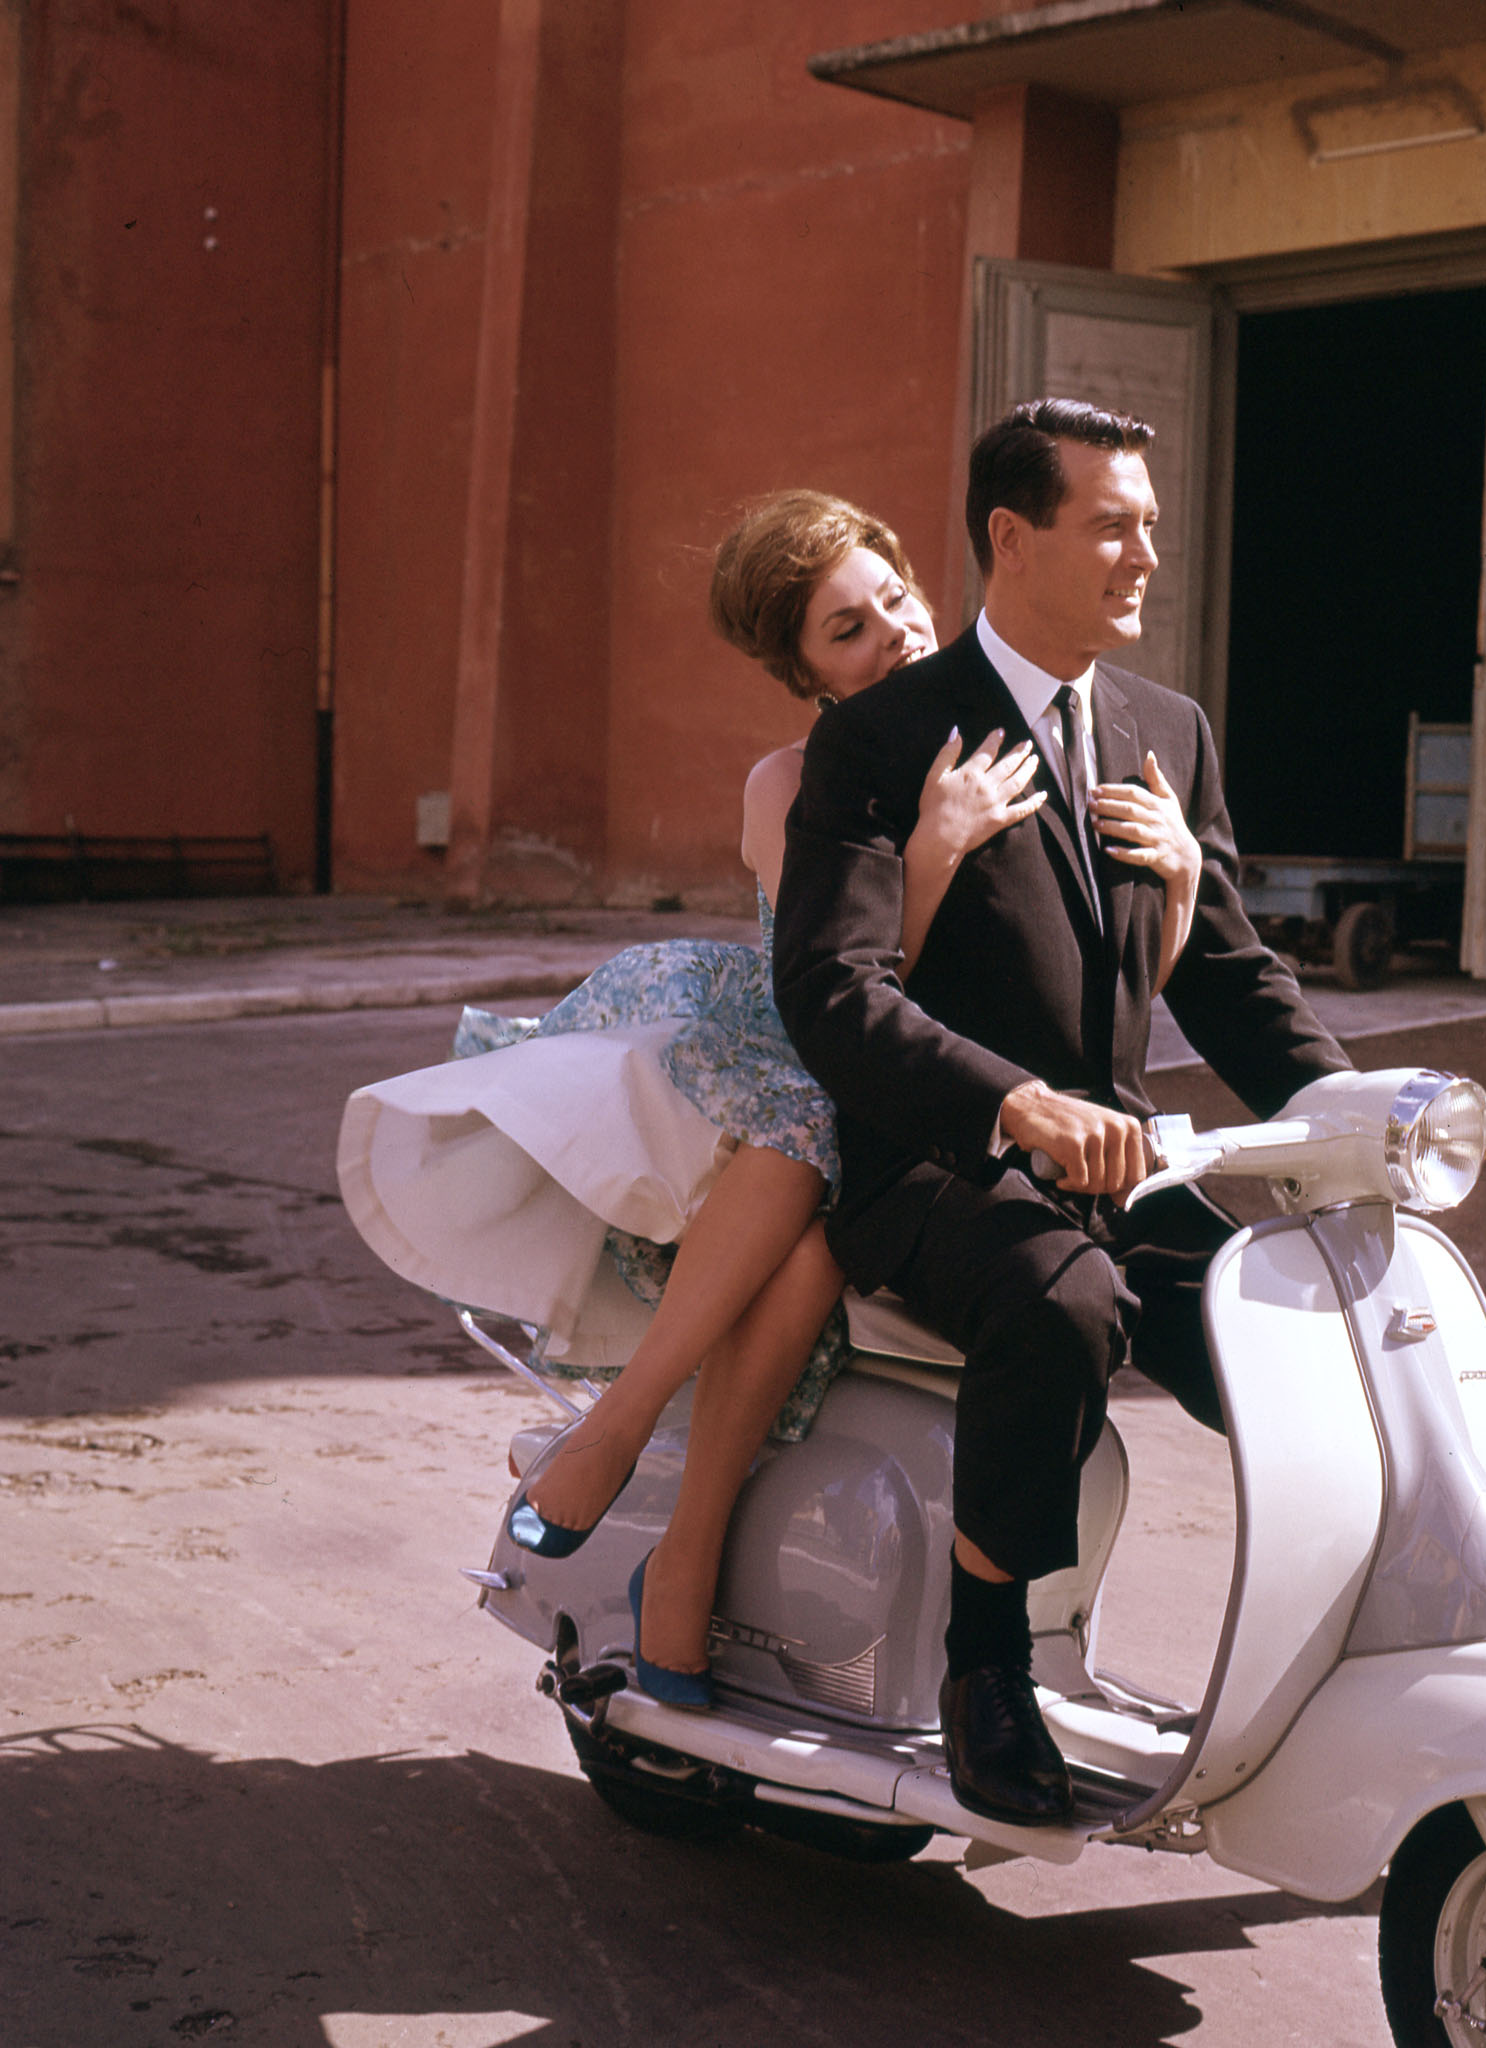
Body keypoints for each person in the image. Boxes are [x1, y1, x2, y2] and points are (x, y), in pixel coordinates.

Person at [337, 488, 1208, 1711]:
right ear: (797, 668)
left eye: (894, 597)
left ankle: (675, 1530)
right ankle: (636, 1456)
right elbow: (851, 987)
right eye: (846, 629)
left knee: (826, 1227)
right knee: (807, 1168)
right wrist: (933, 850)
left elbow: (1094, 997)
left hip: (952, 1093)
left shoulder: (1005, 733)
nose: (894, 632)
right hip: (801, 1044)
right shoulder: (796, 776)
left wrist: (1173, 882)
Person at [773, 399, 1352, 1824]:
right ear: (1011, 539)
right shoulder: (882, 739)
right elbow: (831, 989)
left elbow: (1227, 973)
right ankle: (987, 1667)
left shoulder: (1169, 728)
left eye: (1151, 522)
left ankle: (1338, 1650)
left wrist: (1357, 1106)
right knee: (1063, 1303)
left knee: (1300, 1321)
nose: (1145, 551)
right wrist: (1014, 1106)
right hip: (938, 1167)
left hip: (1124, 1165)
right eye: (1112, 522)